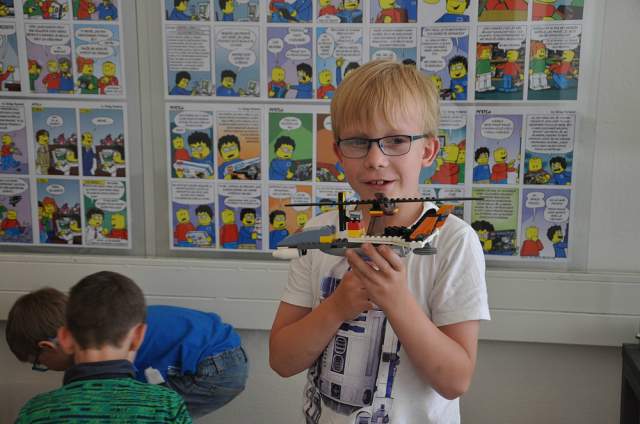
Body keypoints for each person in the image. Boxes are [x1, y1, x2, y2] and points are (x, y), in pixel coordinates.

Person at [269, 60, 490, 423]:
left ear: (428, 151)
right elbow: (281, 360)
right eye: (358, 142)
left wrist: (397, 301)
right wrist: (337, 306)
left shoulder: (455, 241)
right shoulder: (322, 231)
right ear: (339, 152)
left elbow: (454, 381)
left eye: (396, 141)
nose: (375, 159)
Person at [6, 273, 248, 419]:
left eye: (39, 364)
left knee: (139, 407)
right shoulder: (109, 327)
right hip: (219, 352)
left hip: (217, 363)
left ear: (54, 344)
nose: (45, 368)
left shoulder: (35, 411)